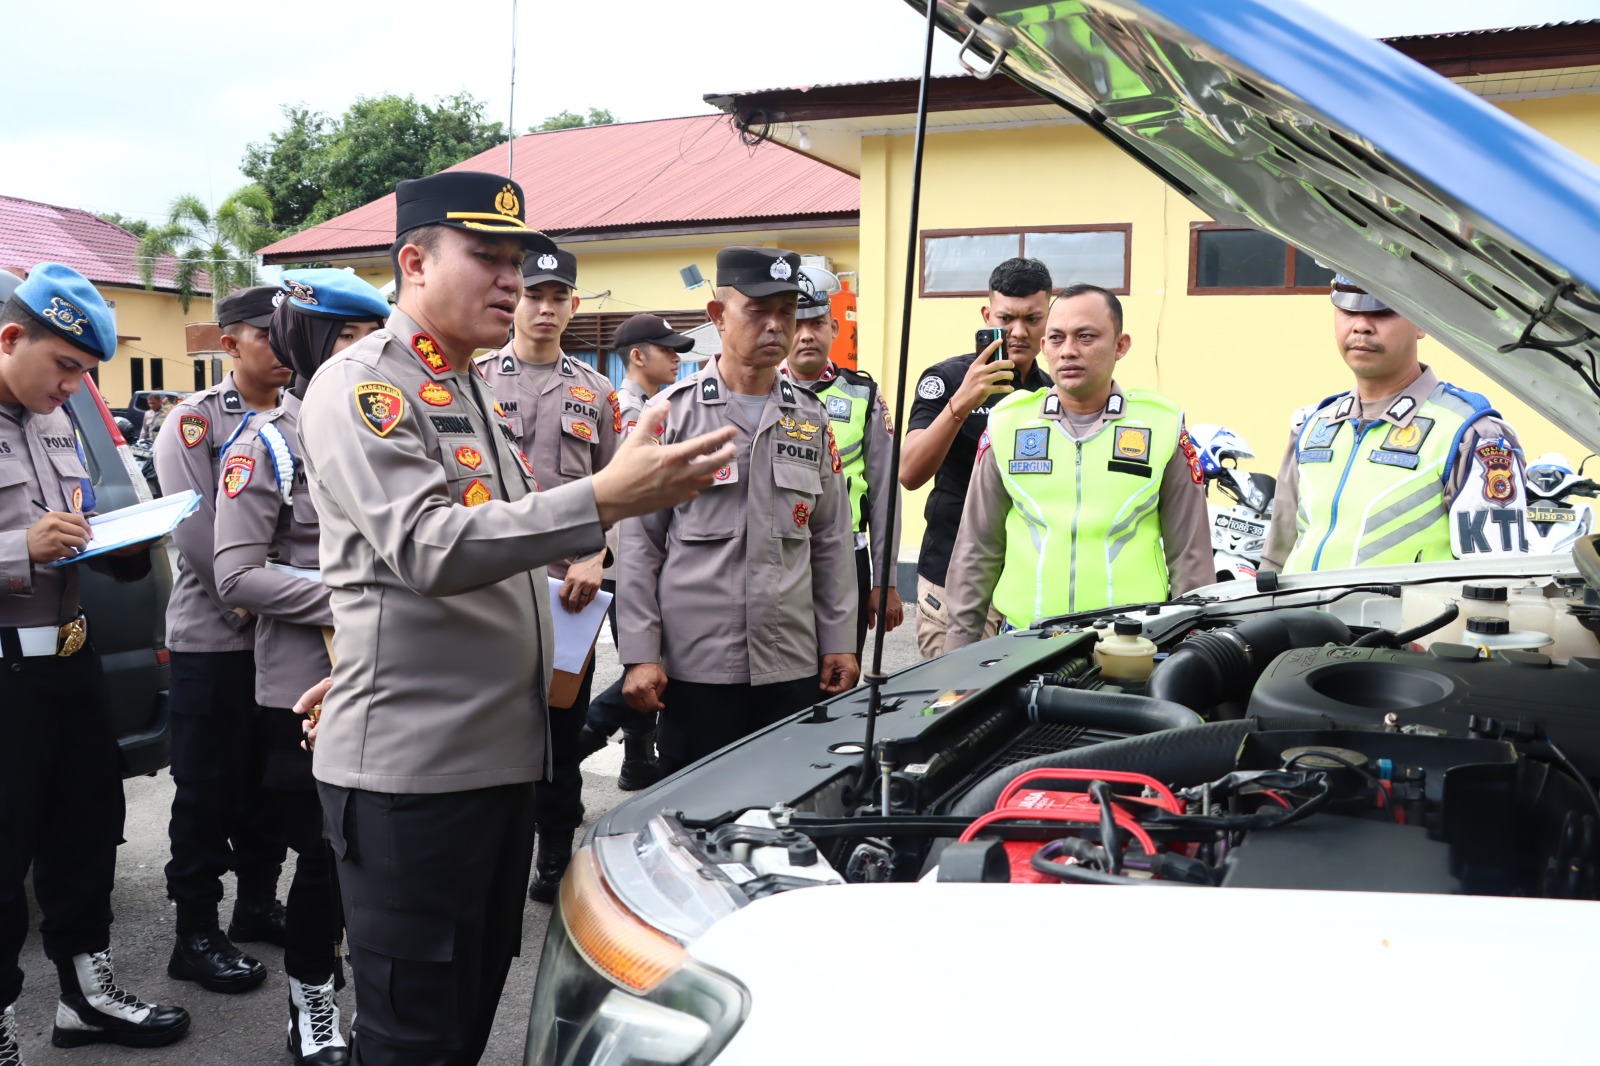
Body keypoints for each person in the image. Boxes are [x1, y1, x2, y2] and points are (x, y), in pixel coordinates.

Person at [294, 170, 736, 1066]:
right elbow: (428, 547)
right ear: (415, 262)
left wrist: (371, 658)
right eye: (487, 258)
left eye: (518, 261)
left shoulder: (465, 387)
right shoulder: (364, 384)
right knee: (414, 1036)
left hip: (495, 759)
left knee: (466, 1014)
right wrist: (602, 499)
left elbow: (474, 562)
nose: (511, 279)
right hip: (416, 778)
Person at [0, 263, 189, 1061]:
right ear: (11, 338)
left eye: (84, 373)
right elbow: (30, 543)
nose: (74, 387)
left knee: (84, 835)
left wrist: (120, 549)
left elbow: (74, 524)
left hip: (72, 669)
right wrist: (19, 548)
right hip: (5, 677)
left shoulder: (55, 420)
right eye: (65, 366)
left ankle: (85, 997)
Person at [214, 270, 388, 1066]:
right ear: (310, 344)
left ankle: (372, 998)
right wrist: (352, 597)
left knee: (377, 853)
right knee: (323, 856)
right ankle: (311, 1003)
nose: (365, 353)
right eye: (347, 338)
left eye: (371, 337)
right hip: (305, 681)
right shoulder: (269, 444)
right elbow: (236, 575)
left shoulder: (384, 428)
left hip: (387, 672)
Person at [618, 246, 859, 776]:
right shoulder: (671, 416)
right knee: (694, 806)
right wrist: (640, 654)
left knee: (788, 800)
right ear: (718, 316)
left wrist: (840, 642)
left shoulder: (811, 418)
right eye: (757, 310)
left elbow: (831, 540)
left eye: (786, 312)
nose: (776, 325)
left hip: (791, 663)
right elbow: (639, 544)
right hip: (698, 667)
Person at [944, 284, 1212, 648]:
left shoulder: (1160, 425)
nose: (1068, 350)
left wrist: (1195, 647)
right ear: (1044, 348)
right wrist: (958, 645)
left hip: (1132, 648)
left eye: (1086, 337)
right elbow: (977, 548)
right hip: (1025, 643)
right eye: (1056, 338)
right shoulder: (1009, 423)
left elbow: (1190, 556)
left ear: (1120, 345)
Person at [155, 286, 290, 999]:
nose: (283, 347)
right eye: (268, 335)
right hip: (217, 639)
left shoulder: (304, 416)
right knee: (206, 791)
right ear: (231, 343)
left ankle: (257, 904)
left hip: (285, 639)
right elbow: (197, 533)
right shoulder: (194, 423)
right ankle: (195, 934)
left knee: (273, 784)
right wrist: (260, 599)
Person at [473, 249, 619, 904]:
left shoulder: (597, 392)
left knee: (561, 727)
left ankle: (555, 850)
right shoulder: (474, 381)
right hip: (493, 583)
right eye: (535, 294)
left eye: (559, 297)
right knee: (488, 722)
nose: (545, 308)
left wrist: (598, 555)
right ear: (516, 300)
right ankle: (491, 849)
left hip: (569, 594)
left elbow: (618, 490)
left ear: (574, 306)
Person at [1260, 277, 1529, 572]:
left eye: (1383, 312)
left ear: (1422, 321)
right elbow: (1275, 562)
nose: (1362, 326)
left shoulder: (1470, 433)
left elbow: (1496, 578)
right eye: (1348, 311)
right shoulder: (1313, 426)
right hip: (1299, 604)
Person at [900, 257, 1054, 658]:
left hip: (1025, 584)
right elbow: (910, 472)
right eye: (1006, 318)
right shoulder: (948, 379)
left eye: (1032, 319)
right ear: (987, 316)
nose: (1018, 331)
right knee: (955, 692)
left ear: (1048, 319)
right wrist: (963, 402)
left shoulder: (1052, 392)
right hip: (954, 577)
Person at [574, 312, 695, 791]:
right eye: (667, 350)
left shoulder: (652, 406)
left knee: (647, 665)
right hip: (625, 563)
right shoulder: (627, 412)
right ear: (638, 356)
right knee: (652, 665)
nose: (676, 358)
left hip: (635, 561)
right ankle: (577, 742)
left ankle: (638, 761)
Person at [781, 265, 903, 656]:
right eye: (796, 325)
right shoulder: (761, 391)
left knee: (840, 668)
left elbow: (885, 495)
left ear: (834, 328)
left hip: (846, 560)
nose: (806, 335)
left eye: (816, 323)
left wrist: (886, 581)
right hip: (778, 555)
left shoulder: (863, 395)